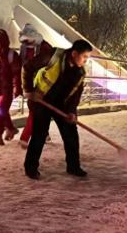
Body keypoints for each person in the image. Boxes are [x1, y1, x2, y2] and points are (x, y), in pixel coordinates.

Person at [22, 39, 92, 180]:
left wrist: (71, 112)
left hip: (62, 105)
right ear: (74, 53)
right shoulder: (53, 56)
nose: (86, 60)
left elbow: (75, 95)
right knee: (39, 135)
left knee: (71, 134)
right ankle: (31, 168)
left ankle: (73, 166)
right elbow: (28, 67)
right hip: (42, 100)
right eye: (84, 56)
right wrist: (29, 90)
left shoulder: (80, 72)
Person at [17, 24, 53, 149]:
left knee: (35, 109)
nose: (27, 43)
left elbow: (49, 65)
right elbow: (22, 65)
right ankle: (44, 133)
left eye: (28, 40)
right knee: (38, 109)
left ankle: (25, 137)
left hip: (42, 82)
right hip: (29, 81)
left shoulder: (45, 48)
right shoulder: (24, 48)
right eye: (25, 41)